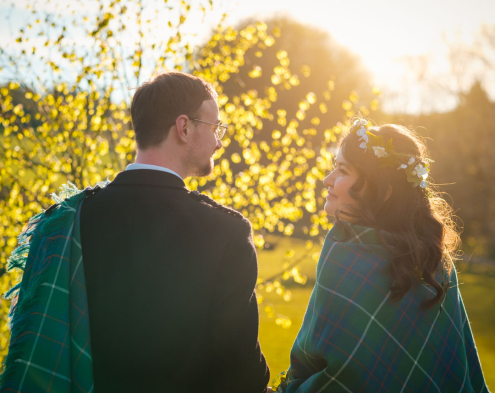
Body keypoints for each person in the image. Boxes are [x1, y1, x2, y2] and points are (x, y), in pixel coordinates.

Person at [1, 71, 270, 393]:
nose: (219, 140)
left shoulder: (67, 219)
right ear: (184, 128)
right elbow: (242, 369)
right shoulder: (227, 230)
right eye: (215, 127)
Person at [274, 119, 489, 392]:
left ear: (382, 190)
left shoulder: (346, 256)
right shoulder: (435, 257)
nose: (327, 180)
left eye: (342, 170)